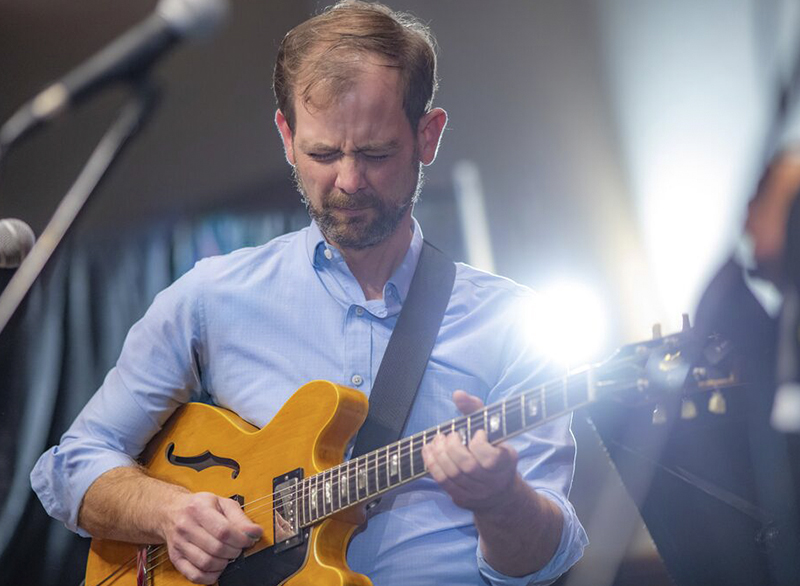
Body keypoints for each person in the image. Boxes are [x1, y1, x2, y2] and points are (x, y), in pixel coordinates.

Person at [31, 2, 587, 585]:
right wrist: (171, 513)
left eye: (375, 153)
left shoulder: (515, 323)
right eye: (323, 154)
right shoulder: (209, 297)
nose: (348, 181)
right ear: (287, 137)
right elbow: (70, 469)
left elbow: (540, 563)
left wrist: (501, 502)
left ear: (428, 135)